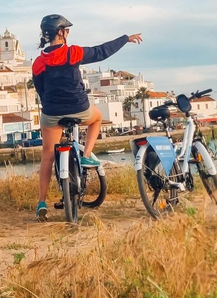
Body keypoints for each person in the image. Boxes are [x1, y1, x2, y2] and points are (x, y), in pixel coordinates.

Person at [32, 14, 142, 220]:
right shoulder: (73, 53)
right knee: (97, 118)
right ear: (61, 33)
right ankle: (86, 154)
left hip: (51, 112)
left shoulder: (38, 62)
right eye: (67, 30)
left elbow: (40, 89)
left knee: (47, 155)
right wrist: (125, 38)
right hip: (79, 108)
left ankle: (41, 203)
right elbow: (102, 51)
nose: (68, 33)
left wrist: (51, 105)